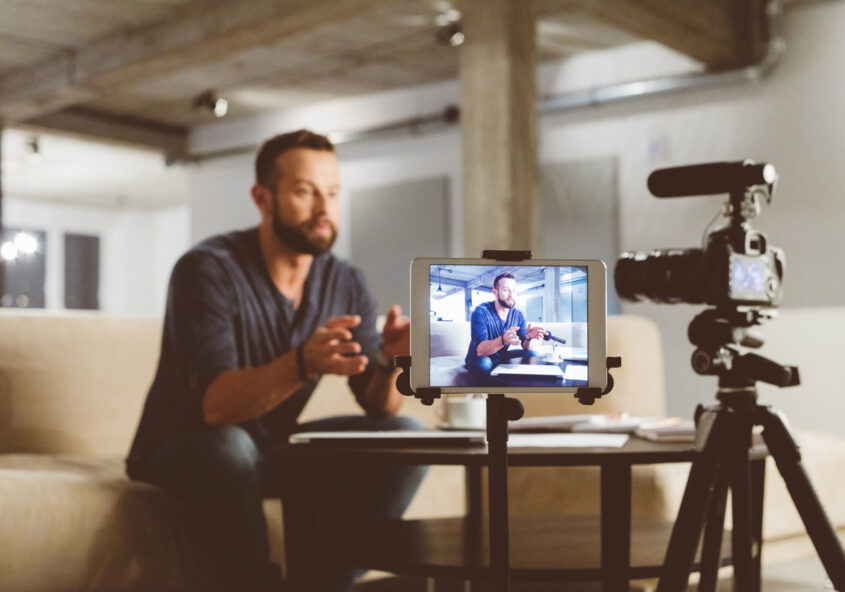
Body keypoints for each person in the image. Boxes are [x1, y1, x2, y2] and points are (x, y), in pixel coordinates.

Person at [126, 129, 427, 592]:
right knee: (230, 446)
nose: (324, 210)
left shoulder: (344, 280)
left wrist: (391, 360)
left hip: (271, 445)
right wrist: (303, 363)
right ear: (262, 198)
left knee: (407, 436)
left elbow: (378, 407)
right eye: (305, 192)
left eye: (332, 193)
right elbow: (216, 409)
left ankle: (326, 580)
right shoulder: (207, 269)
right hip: (183, 447)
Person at [464, 273, 547, 381]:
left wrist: (529, 338)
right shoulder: (480, 312)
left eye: (514, 291)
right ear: (495, 292)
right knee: (483, 364)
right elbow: (480, 350)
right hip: (479, 357)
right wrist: (503, 340)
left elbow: (526, 347)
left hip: (501, 356)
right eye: (506, 290)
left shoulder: (518, 315)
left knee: (532, 353)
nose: (511, 294)